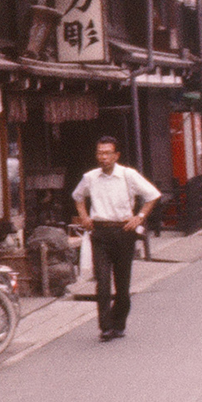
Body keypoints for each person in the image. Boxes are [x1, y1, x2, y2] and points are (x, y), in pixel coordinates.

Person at [71, 135, 161, 341]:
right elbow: (77, 197)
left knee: (122, 284)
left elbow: (152, 195)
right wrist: (84, 216)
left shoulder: (128, 175)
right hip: (100, 232)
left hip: (123, 232)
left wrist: (139, 217)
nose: (103, 157)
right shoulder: (90, 177)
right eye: (100, 153)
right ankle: (105, 327)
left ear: (116, 155)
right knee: (102, 281)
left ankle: (118, 323)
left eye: (107, 153)